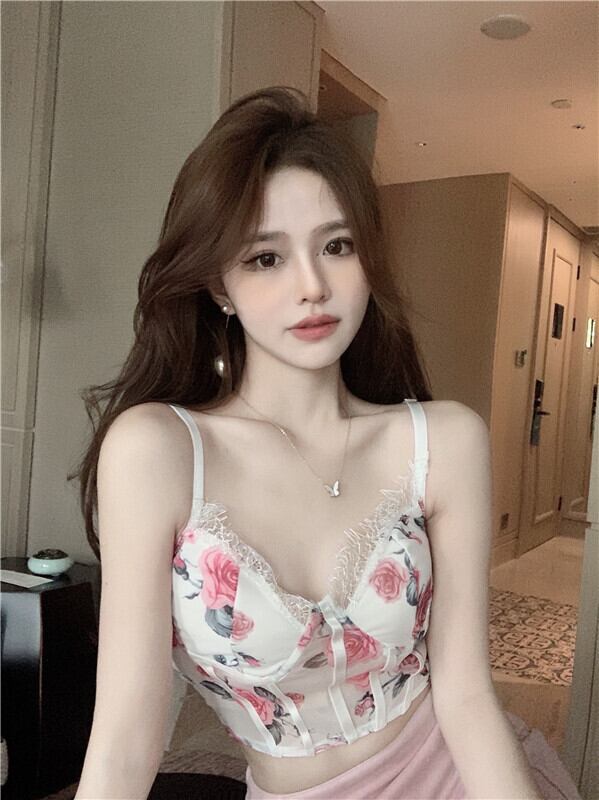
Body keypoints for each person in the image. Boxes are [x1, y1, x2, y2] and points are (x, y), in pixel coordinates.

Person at [71, 86, 581, 799]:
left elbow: (467, 696)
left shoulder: (442, 442)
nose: (312, 286)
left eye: (336, 246)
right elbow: (126, 742)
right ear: (218, 285)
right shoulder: (158, 451)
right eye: (265, 258)